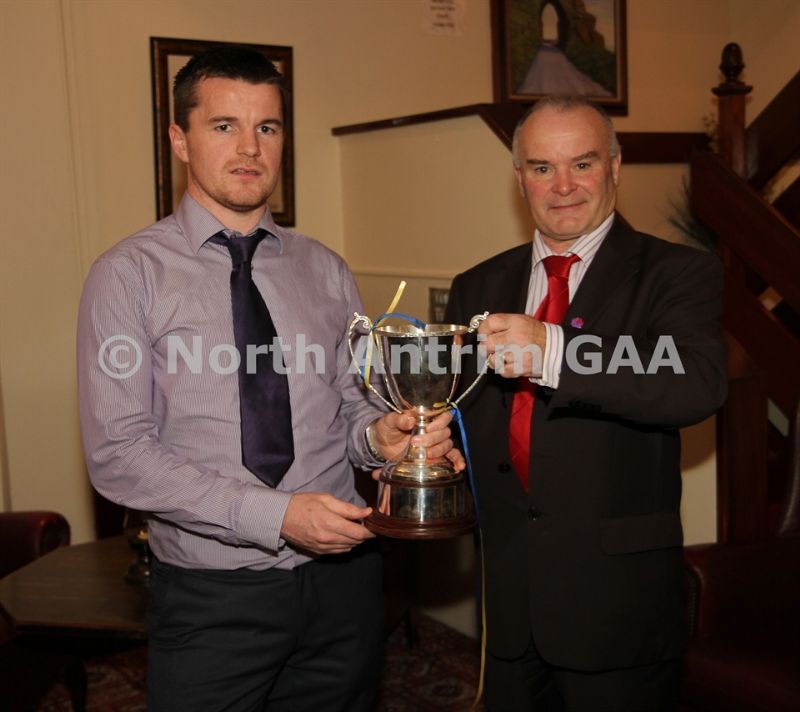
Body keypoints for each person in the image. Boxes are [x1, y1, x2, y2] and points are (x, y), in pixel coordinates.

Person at [77, 46, 461, 712]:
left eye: (268, 127)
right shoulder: (128, 275)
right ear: (180, 139)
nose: (250, 147)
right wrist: (275, 517)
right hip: (213, 600)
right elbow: (119, 454)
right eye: (224, 125)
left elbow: (352, 411)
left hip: (345, 583)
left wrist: (384, 439)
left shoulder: (326, 269)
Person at [444, 96, 727, 711]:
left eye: (583, 163)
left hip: (618, 611)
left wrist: (554, 350)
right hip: (509, 601)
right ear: (519, 177)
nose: (563, 186)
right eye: (542, 167)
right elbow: (463, 412)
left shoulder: (677, 273)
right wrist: (427, 441)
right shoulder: (477, 285)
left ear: (615, 167)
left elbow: (695, 382)